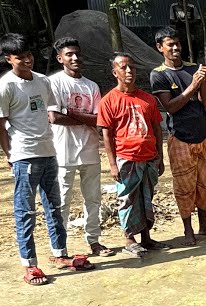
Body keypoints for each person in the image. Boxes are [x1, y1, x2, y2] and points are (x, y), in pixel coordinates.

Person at [1, 32, 87, 284]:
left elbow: (47, 112)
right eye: (20, 57)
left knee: (54, 206)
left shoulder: (42, 81)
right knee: (25, 211)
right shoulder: (5, 86)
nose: (27, 60)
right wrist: (10, 155)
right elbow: (0, 124)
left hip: (49, 152)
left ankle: (60, 254)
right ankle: (30, 265)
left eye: (29, 55)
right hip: (23, 156)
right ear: (9, 59)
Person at [152, 27, 206, 245]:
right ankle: (187, 229)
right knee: (184, 186)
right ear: (160, 48)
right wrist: (193, 85)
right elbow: (171, 107)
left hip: (203, 134)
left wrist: (202, 81)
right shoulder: (159, 74)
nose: (175, 48)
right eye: (170, 44)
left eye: (177, 43)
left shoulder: (193, 68)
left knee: (204, 182)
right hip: (180, 137)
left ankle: (204, 224)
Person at [99, 53, 165, 257]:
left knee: (147, 197)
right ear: (115, 72)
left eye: (132, 68)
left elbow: (157, 128)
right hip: (126, 158)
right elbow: (107, 135)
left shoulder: (147, 99)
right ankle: (129, 238)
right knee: (127, 198)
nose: (129, 71)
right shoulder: (109, 101)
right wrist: (112, 164)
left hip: (149, 157)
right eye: (124, 67)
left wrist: (160, 156)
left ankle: (146, 237)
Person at [48, 37, 109, 256]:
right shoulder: (54, 83)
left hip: (90, 149)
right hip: (63, 151)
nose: (75, 58)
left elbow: (98, 119)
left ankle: (94, 240)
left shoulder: (91, 85)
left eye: (77, 53)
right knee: (62, 201)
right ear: (60, 58)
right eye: (69, 54)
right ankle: (60, 248)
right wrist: (84, 117)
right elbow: (54, 117)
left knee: (93, 198)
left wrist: (71, 112)